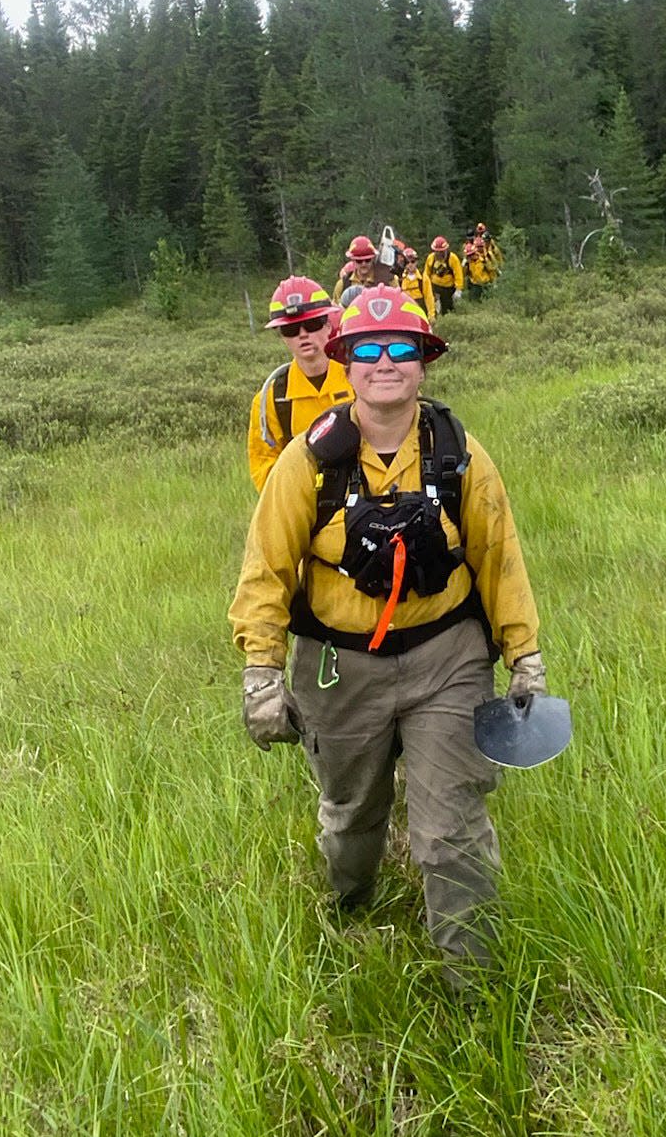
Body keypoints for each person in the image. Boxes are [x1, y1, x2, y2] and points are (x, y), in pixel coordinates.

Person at [230, 285, 548, 987]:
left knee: (450, 831)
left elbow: (499, 559)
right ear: (344, 360)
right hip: (338, 671)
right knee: (351, 816)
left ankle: (475, 986)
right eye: (366, 349)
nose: (384, 361)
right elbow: (265, 571)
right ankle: (348, 915)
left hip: (448, 661)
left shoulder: (459, 453)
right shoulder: (306, 464)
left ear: (423, 362)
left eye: (401, 348)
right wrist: (261, 673)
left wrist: (525, 660)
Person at [247, 276, 354, 493]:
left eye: (312, 324)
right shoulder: (272, 398)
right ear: (283, 337)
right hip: (305, 511)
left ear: (328, 325)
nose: (303, 335)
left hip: (363, 505)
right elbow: (263, 462)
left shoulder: (358, 378)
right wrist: (292, 501)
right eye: (291, 329)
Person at [333, 236, 399, 303]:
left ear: (373, 258)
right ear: (353, 260)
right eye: (359, 261)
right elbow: (336, 309)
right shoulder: (342, 284)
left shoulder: (389, 280)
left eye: (367, 260)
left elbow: (399, 304)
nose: (363, 264)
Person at [423, 236, 464, 314]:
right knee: (433, 309)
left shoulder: (453, 259)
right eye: (437, 251)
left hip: (448, 290)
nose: (439, 254)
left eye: (441, 252)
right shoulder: (430, 258)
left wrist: (458, 289)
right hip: (434, 287)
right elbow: (426, 274)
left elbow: (458, 275)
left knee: (447, 310)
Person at [400, 246, 436, 322]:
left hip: (421, 313)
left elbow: (429, 297)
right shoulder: (400, 279)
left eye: (413, 261)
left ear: (416, 262)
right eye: (407, 262)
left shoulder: (423, 278)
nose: (410, 264)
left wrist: (431, 315)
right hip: (405, 314)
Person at [462, 234, 497, 301]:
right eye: (468, 256)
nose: (469, 257)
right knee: (473, 303)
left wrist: (494, 283)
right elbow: (464, 274)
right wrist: (464, 266)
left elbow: (491, 270)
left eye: (470, 255)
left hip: (485, 284)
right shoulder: (468, 263)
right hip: (475, 285)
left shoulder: (483, 260)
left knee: (487, 302)